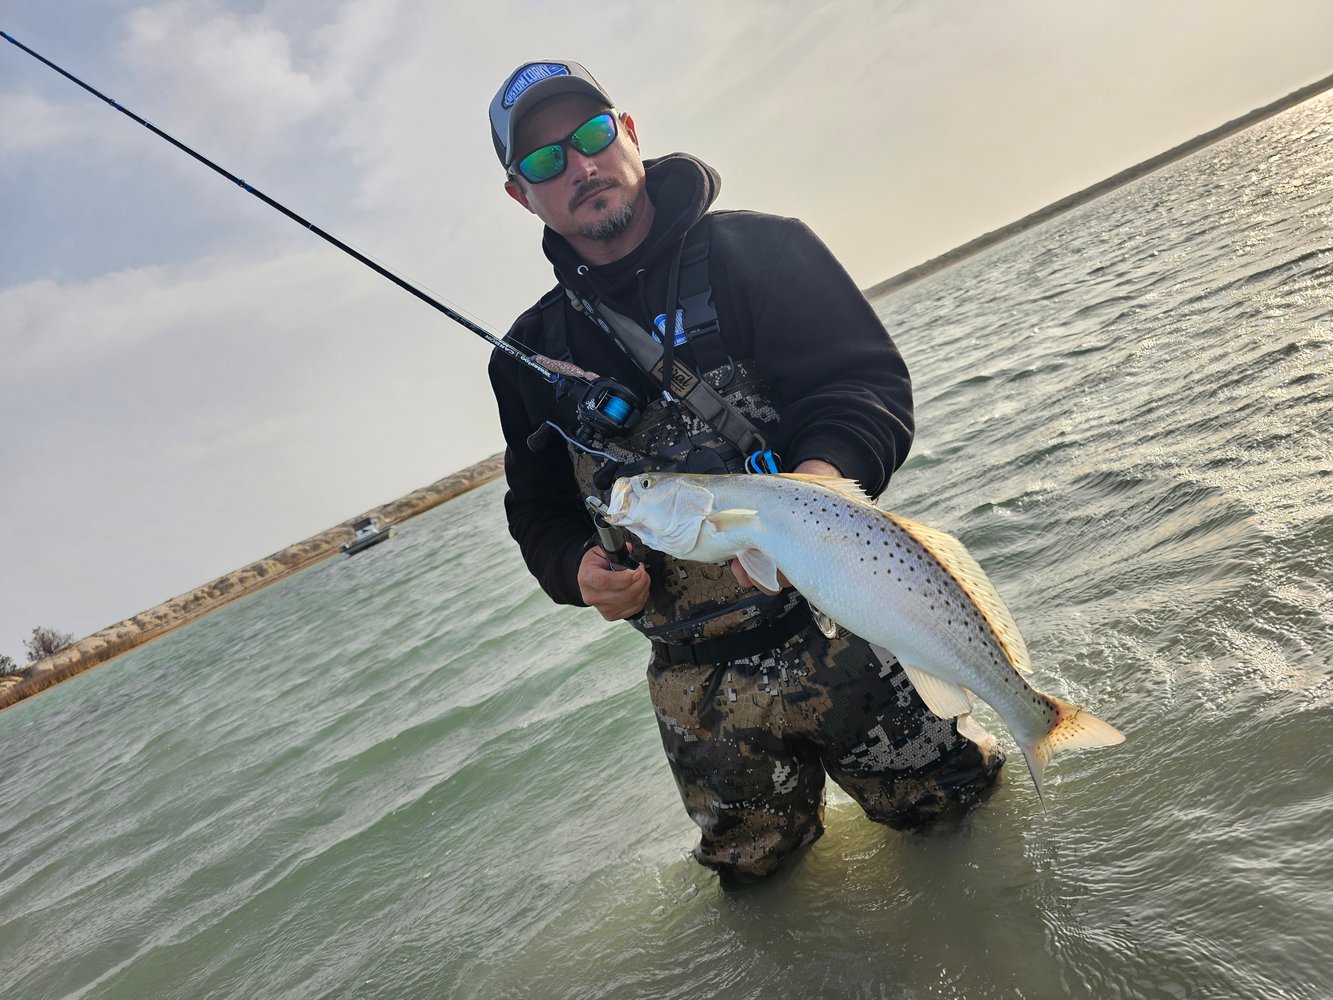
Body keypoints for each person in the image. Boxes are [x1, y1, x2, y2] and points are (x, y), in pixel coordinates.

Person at [486, 61, 1004, 885]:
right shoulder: (527, 358)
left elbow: (862, 386)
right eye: (546, 161)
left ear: (627, 132)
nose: (579, 167)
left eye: (589, 136)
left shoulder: (762, 251)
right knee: (759, 891)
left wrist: (811, 493)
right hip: (698, 691)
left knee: (964, 833)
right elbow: (536, 510)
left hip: (852, 629)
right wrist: (574, 571)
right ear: (522, 194)